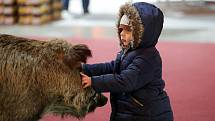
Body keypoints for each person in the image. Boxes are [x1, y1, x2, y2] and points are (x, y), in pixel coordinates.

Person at [81, 2, 173, 121]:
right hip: (131, 111)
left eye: (128, 30)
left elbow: (125, 81)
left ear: (143, 33)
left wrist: (93, 82)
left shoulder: (147, 58)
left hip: (147, 114)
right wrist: (85, 69)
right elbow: (112, 67)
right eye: (121, 29)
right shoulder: (130, 51)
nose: (122, 34)